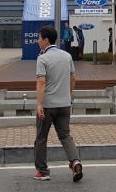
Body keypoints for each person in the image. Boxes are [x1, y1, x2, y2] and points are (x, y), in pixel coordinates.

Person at [33, 25, 82, 182]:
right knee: (65, 136)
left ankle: (42, 171)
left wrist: (39, 104)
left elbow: (41, 82)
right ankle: (75, 162)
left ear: (46, 40)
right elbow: (73, 77)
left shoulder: (42, 58)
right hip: (64, 104)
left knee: (41, 138)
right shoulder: (66, 56)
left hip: (48, 105)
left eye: (39, 38)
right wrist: (68, 94)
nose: (38, 41)